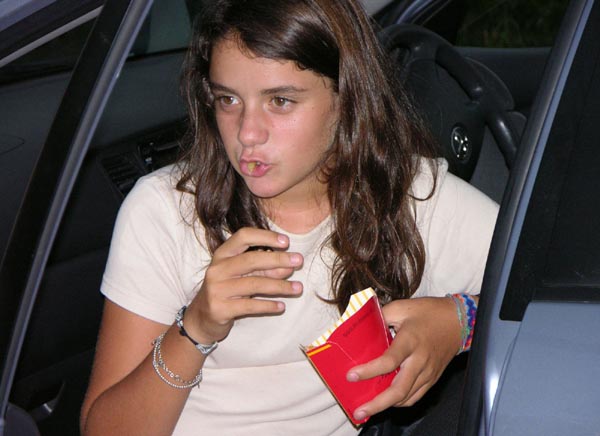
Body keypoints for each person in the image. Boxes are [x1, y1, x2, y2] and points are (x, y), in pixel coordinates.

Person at [80, 0, 498, 435]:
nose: (247, 133)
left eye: (280, 101)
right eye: (227, 100)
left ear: (347, 97)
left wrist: (460, 320)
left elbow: (538, 285)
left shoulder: (410, 197)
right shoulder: (167, 212)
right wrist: (195, 328)